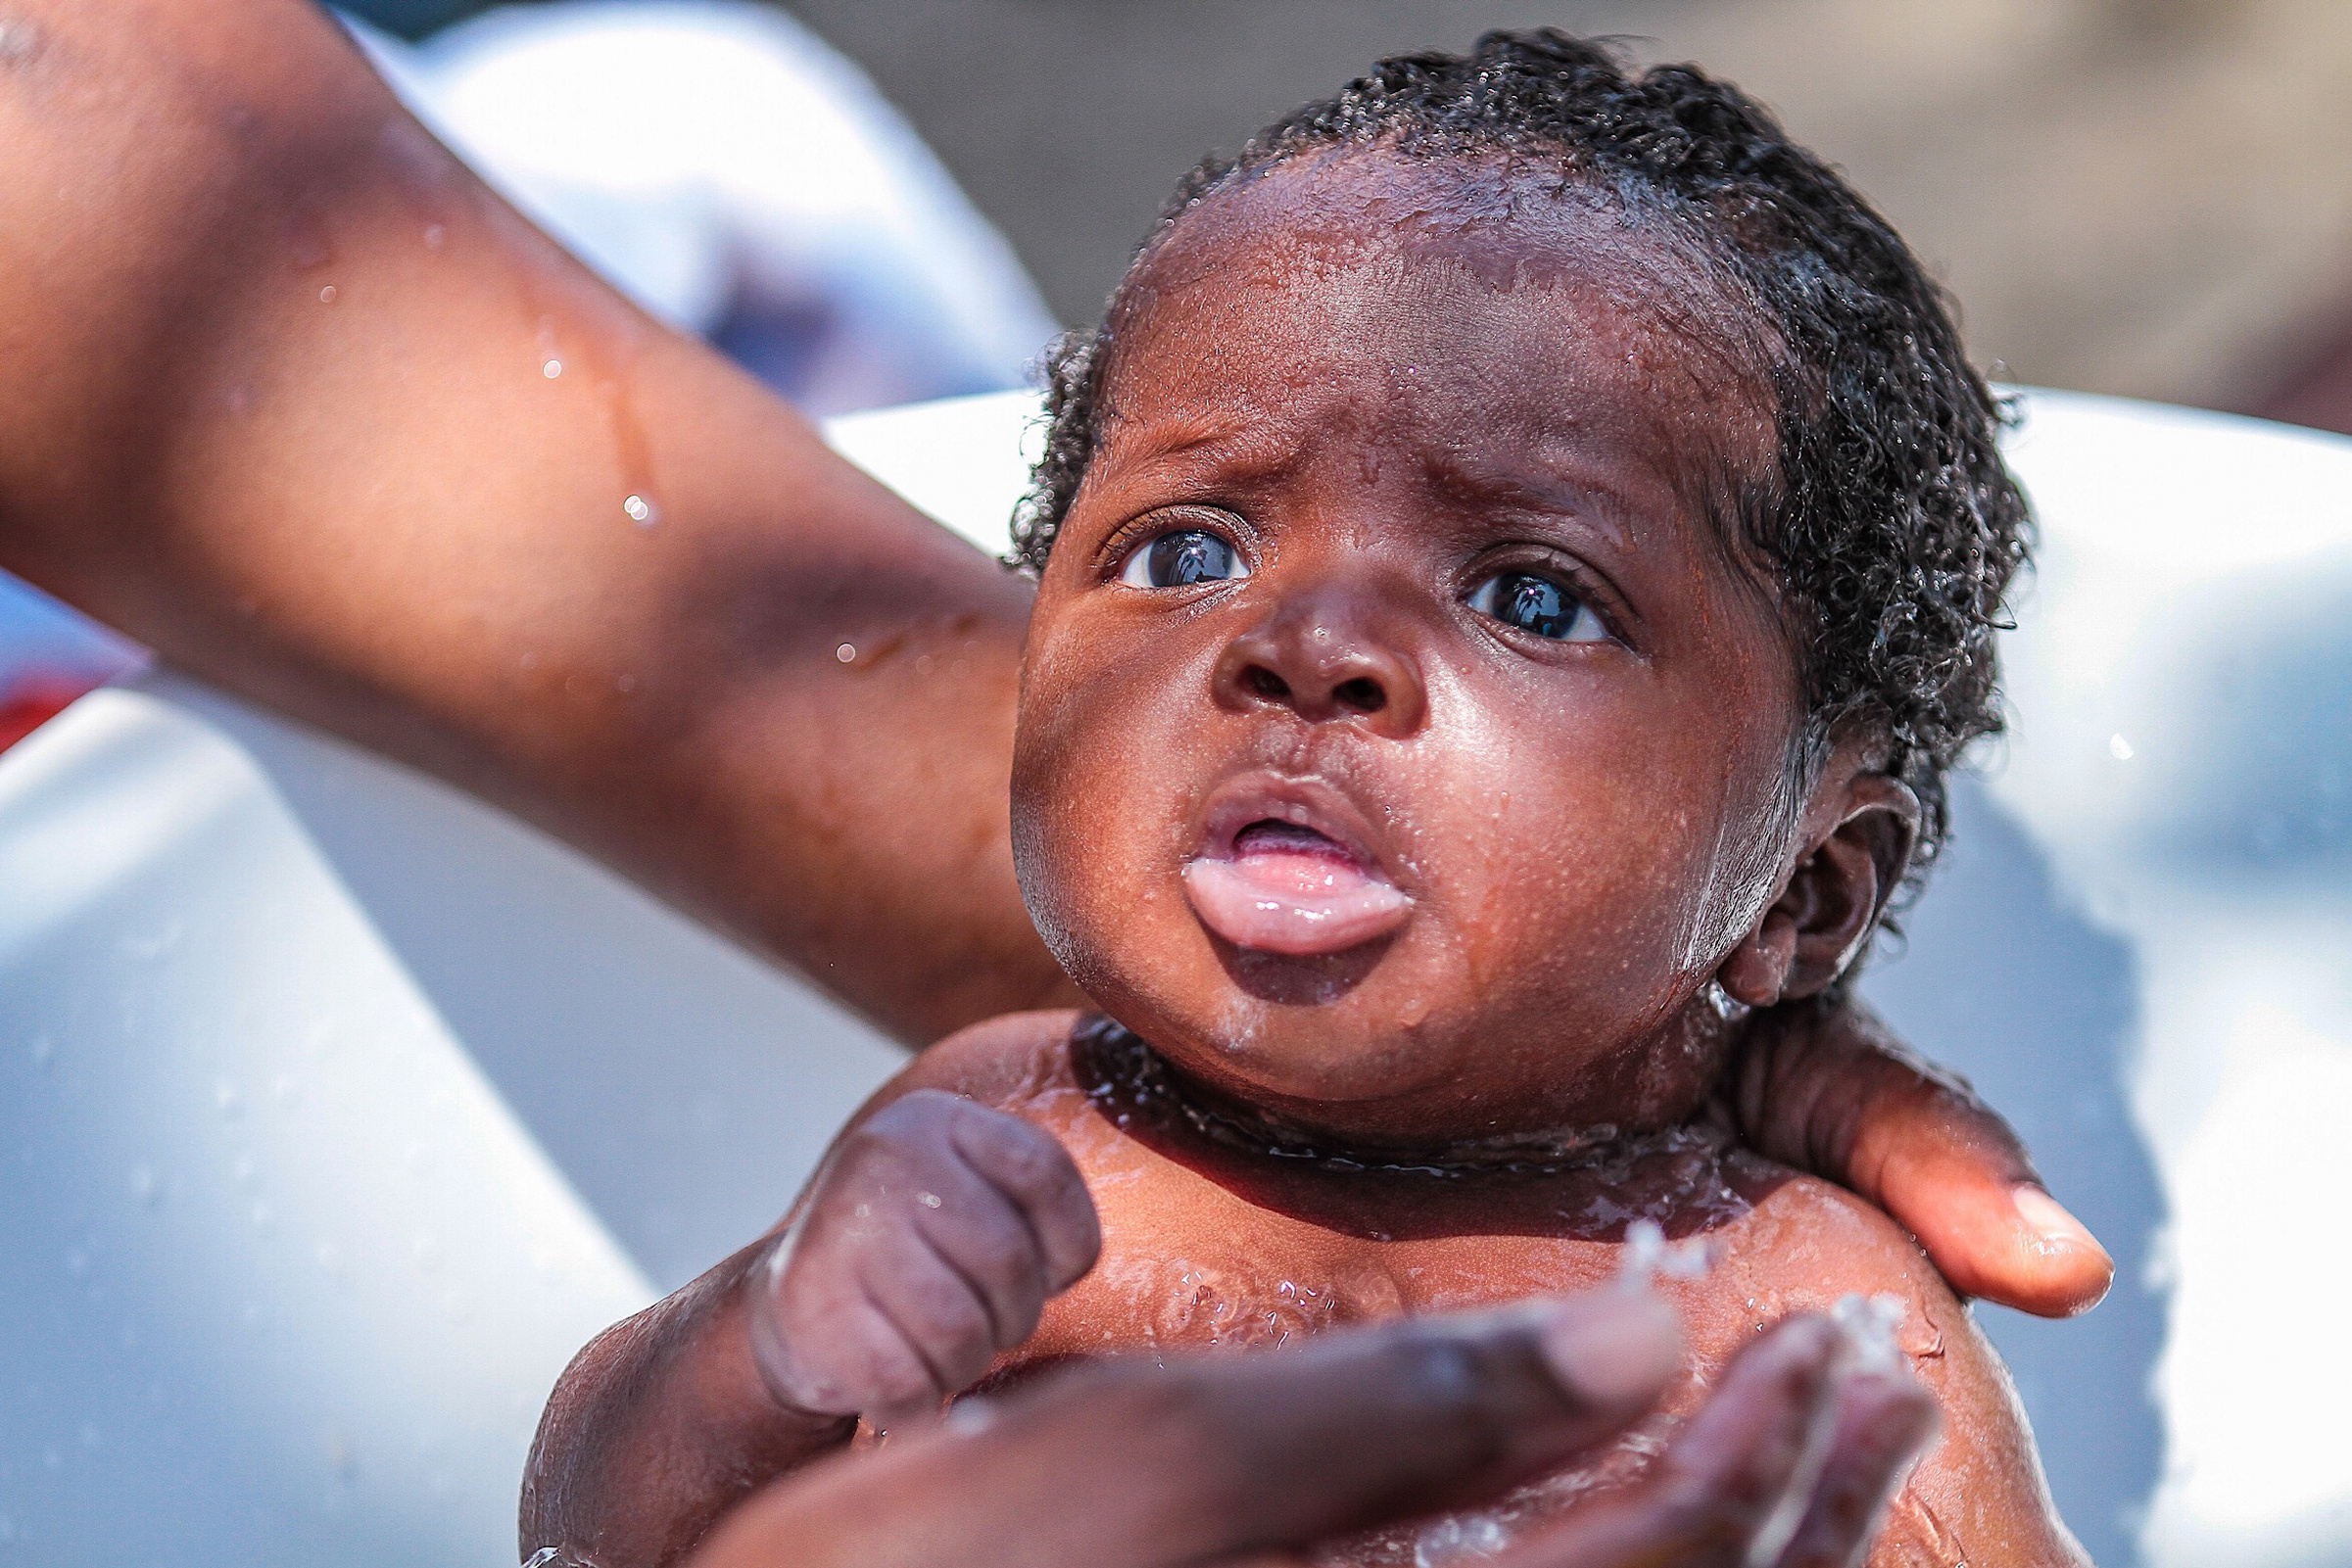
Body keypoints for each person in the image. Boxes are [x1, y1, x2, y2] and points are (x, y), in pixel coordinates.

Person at [0, 0, 2105, 1556]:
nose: (1301, 647)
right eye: (1184, 552)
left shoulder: (1804, 1327)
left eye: (1534, 598)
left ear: (1806, 897)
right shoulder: (995, 1139)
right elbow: (588, 1532)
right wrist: (757, 1352)